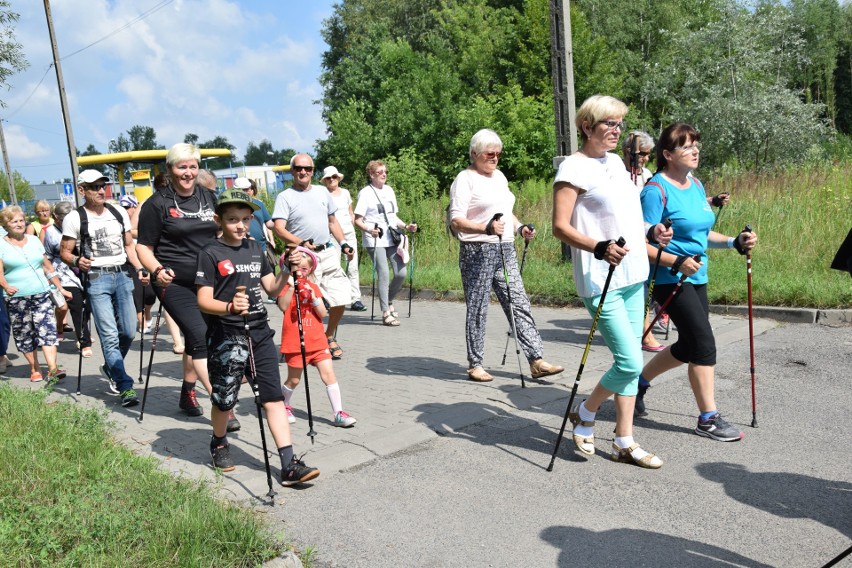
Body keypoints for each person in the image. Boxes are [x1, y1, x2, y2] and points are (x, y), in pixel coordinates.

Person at [552, 95, 671, 468]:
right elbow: (560, 227)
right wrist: (598, 246)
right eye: (609, 124)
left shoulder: (618, 163)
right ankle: (586, 413)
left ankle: (624, 439)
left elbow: (627, 215)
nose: (617, 131)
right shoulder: (573, 168)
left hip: (634, 272)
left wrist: (652, 230)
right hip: (600, 276)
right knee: (630, 362)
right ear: (587, 126)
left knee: (631, 363)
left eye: (620, 125)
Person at [637, 122, 757, 442]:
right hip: (670, 277)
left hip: (697, 275)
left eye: (697, 146)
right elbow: (642, 243)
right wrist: (675, 260)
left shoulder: (695, 184)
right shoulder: (655, 190)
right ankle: (708, 418)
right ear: (667, 154)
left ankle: (640, 382)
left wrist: (734, 241)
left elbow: (702, 235)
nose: (695, 151)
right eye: (687, 147)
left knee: (689, 345)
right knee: (704, 344)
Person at [196, 190, 319, 485]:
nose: (240, 225)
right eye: (232, 219)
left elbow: (273, 290)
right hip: (227, 334)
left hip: (260, 332)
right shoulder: (210, 252)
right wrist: (228, 306)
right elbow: (203, 299)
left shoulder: (254, 248)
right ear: (219, 220)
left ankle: (289, 465)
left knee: (272, 397)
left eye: (245, 219)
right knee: (225, 399)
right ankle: (219, 442)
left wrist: (287, 271)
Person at [448, 129, 564, 383]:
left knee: (519, 302)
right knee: (478, 307)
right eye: (490, 153)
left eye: (498, 154)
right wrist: (485, 228)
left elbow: (505, 213)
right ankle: (475, 364)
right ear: (475, 153)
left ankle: (536, 360)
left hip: (505, 248)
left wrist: (520, 227)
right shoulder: (465, 179)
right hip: (477, 249)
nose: (495, 158)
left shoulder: (499, 177)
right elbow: (456, 220)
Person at [136, 143, 220, 419]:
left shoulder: (209, 197)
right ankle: (221, 404)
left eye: (192, 166)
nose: (188, 172)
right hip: (174, 283)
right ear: (170, 169)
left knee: (203, 339)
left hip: (209, 281)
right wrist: (157, 269)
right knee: (197, 335)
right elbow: (143, 247)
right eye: (181, 166)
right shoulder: (157, 203)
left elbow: (222, 232)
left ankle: (187, 391)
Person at [60, 170, 147, 406]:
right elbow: (65, 251)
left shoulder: (118, 212)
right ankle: (124, 386)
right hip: (97, 279)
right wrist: (77, 261)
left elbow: (129, 246)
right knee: (109, 336)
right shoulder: (74, 218)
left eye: (102, 185)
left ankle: (110, 368)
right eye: (94, 186)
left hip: (122, 276)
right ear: (82, 190)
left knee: (129, 331)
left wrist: (140, 269)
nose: (101, 190)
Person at [272, 153, 355, 360]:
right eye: (299, 168)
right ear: (292, 171)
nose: (303, 172)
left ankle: (328, 336)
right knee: (299, 301)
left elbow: (332, 222)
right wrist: (300, 243)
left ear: (312, 171)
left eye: (307, 169)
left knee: (340, 297)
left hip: (327, 252)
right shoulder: (285, 197)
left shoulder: (322, 192)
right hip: (302, 256)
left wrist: (343, 243)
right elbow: (279, 229)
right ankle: (299, 339)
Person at [278, 245, 357, 428]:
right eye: (297, 268)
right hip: (295, 341)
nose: (301, 272)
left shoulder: (313, 285)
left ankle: (338, 412)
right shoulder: (284, 286)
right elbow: (283, 306)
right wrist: (291, 287)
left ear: (310, 269)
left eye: (305, 269)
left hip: (318, 340)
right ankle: (283, 405)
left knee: (329, 374)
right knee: (294, 379)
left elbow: (322, 314)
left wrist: (314, 298)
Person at [0, 205, 68, 383]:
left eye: (22, 220)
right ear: (6, 224)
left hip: (41, 293)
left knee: (47, 329)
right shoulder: (1, 244)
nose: (19, 224)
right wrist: (6, 286)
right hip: (17, 297)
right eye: (14, 221)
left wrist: (60, 288)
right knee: (25, 333)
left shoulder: (34, 240)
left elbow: (48, 267)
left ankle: (52, 369)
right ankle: (34, 367)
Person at [353, 161, 416, 327]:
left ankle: (388, 300)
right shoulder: (365, 193)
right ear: (372, 174)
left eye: (385, 171)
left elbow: (393, 217)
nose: (384, 174)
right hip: (374, 240)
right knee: (384, 273)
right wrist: (369, 229)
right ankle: (385, 313)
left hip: (391, 238)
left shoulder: (389, 191)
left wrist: (406, 226)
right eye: (380, 172)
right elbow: (357, 220)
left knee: (401, 272)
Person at [621, 131, 666, 353]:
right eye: (642, 154)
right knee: (635, 285)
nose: (646, 158)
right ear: (628, 152)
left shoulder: (646, 174)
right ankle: (642, 333)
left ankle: (642, 330)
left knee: (644, 283)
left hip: (644, 235)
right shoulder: (617, 172)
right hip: (623, 237)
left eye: (648, 154)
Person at [43, 201, 93, 358]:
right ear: (56, 217)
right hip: (64, 274)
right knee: (76, 305)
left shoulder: (79, 226)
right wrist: (51, 278)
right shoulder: (50, 232)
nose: (66, 220)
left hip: (85, 269)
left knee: (89, 305)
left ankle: (83, 331)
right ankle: (84, 342)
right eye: (63, 217)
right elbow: (47, 258)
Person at [321, 166, 366, 312]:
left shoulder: (345, 193)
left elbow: (350, 212)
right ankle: (330, 298)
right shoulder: (323, 194)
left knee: (352, 267)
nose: (332, 180)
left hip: (349, 233)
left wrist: (353, 226)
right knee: (333, 268)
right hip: (332, 235)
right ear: (325, 181)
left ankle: (355, 299)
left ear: (338, 178)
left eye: (334, 177)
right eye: (328, 178)